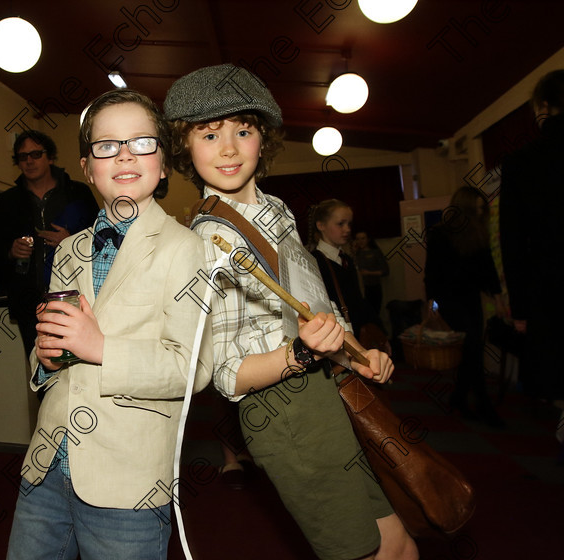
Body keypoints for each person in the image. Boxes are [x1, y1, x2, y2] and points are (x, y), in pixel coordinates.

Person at [164, 64, 417, 560]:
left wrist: (357, 354)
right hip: (282, 414)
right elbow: (226, 376)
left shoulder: (276, 211)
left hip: (324, 394)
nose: (230, 147)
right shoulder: (203, 244)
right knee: (363, 552)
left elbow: (314, 308)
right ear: (186, 149)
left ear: (263, 138)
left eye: (243, 129)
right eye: (209, 134)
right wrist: (301, 353)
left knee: (398, 545)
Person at [6, 89, 212, 560]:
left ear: (162, 164)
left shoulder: (186, 247)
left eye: (141, 142)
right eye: (106, 145)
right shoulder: (68, 249)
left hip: (128, 480)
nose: (123, 154)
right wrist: (45, 355)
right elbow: (52, 349)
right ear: (87, 167)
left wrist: (99, 346)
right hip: (48, 465)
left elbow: (192, 367)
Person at [0, 130, 98, 355]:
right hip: (31, 304)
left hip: (77, 298)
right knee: (42, 372)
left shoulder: (77, 193)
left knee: (81, 367)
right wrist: (10, 251)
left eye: (36, 154)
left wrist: (70, 242)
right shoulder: (8, 201)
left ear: (50, 157)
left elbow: (101, 239)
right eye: (22, 156)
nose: (29, 161)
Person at [500, 69, 564, 450]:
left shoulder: (523, 161)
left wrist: (521, 309)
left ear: (542, 107)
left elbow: (513, 242)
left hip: (551, 297)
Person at [426, 186, 505, 427]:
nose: (482, 214)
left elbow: (487, 268)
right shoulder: (441, 233)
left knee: (472, 351)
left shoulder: (477, 233)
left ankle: (459, 398)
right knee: (472, 350)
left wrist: (498, 297)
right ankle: (483, 404)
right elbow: (432, 271)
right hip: (451, 301)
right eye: (478, 209)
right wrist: (432, 303)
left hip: (471, 299)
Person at [309, 199, 388, 347]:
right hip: (335, 338)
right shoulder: (314, 261)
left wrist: (379, 329)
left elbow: (357, 299)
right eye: (340, 224)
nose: (347, 229)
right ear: (321, 226)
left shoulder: (346, 259)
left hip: (356, 332)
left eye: (349, 224)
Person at [353, 230, 389, 316]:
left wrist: (369, 273)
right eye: (358, 239)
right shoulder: (356, 254)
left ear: (368, 239)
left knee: (374, 314)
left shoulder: (375, 252)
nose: (360, 241)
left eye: (363, 238)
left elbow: (385, 271)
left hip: (373, 288)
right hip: (359, 290)